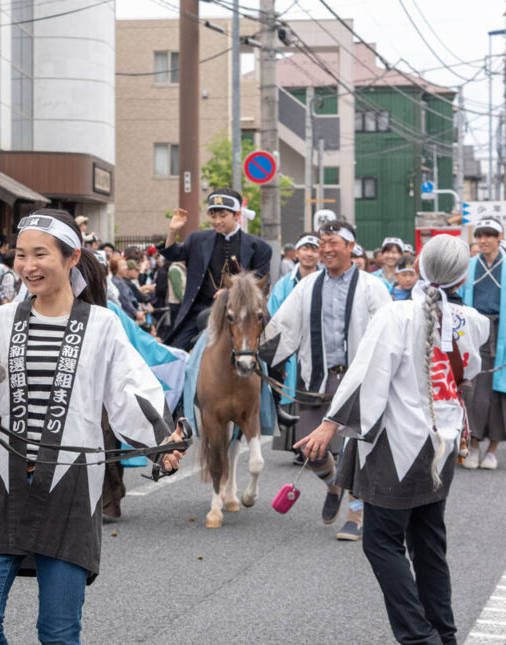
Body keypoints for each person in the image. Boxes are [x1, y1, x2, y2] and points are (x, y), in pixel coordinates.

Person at [0, 210, 184, 645]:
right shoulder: (0, 318)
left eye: (41, 254)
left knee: (59, 633)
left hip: (69, 488)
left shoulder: (103, 325)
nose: (28, 264)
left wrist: (160, 439)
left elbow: (133, 389)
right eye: (21, 254)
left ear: (70, 259)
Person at [296, 235, 490, 645]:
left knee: (380, 541)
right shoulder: (472, 321)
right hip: (442, 440)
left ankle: (420, 642)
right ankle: (443, 638)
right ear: (463, 275)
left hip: (398, 443)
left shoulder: (397, 315)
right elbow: (470, 374)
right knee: (427, 540)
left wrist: (328, 425)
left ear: (418, 267)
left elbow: (369, 376)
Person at [259, 220, 393, 540]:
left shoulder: (373, 287)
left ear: (351, 247)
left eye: (334, 242)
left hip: (358, 378)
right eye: (323, 242)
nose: (327, 248)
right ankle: (334, 484)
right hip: (316, 376)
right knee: (310, 448)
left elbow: (388, 334)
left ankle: (356, 513)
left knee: (357, 445)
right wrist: (257, 359)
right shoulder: (307, 286)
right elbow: (285, 326)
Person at [458, 218, 506, 470]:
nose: (483, 241)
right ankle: (475, 445)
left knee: (500, 394)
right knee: (472, 391)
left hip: (503, 332)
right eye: (479, 236)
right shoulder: (468, 266)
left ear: (498, 238)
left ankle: (492, 449)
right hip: (473, 331)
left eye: (489, 236)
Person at [158, 189, 272, 350]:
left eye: (223, 215)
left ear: (237, 215)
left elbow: (262, 285)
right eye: (213, 216)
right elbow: (173, 253)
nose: (217, 221)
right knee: (173, 352)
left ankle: (278, 374)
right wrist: (173, 231)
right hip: (200, 309)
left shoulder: (259, 247)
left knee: (271, 351)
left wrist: (229, 292)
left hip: (243, 312)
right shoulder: (197, 240)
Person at [268, 233, 321, 456]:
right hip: (289, 347)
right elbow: (273, 317)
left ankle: (320, 447)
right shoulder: (283, 284)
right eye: (305, 248)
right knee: (293, 393)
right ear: (296, 253)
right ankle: (299, 447)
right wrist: (274, 358)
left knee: (317, 394)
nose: (309, 253)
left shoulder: (325, 279)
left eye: (314, 249)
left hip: (317, 346)